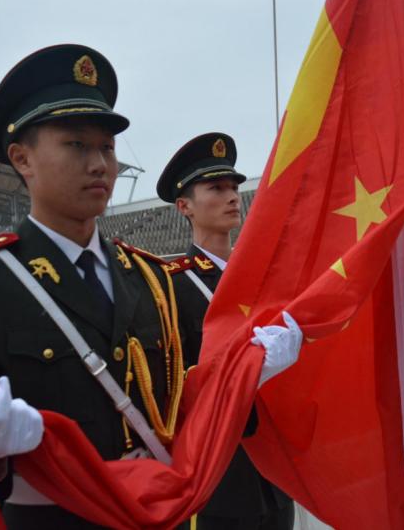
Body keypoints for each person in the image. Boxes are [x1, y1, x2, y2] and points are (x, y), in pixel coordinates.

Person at [0, 44, 302, 530]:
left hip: (154, 514)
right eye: (76, 145)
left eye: (107, 147)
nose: (99, 163)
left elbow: (184, 409)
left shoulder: (151, 279)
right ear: (22, 158)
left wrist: (247, 376)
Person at [157, 133, 295, 530]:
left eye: (234, 187)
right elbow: (173, 386)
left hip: (274, 473)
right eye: (216, 188)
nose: (233, 197)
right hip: (217, 478)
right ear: (184, 206)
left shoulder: (264, 281)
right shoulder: (171, 286)